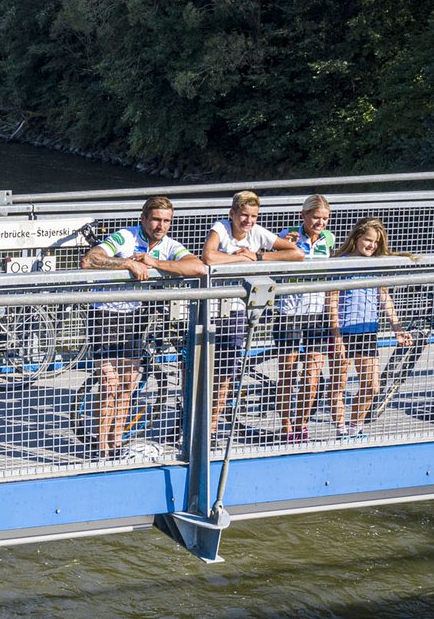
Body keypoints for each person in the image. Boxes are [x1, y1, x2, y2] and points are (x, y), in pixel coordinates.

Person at [81, 196, 207, 455]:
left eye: (166, 221)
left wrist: (154, 263)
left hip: (136, 315)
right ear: (144, 219)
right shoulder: (125, 236)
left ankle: (116, 443)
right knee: (109, 382)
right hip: (105, 312)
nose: (161, 226)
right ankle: (100, 444)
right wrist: (127, 262)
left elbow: (198, 267)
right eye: (156, 220)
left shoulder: (169, 244)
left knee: (129, 381)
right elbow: (90, 259)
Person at [198, 191, 303, 434]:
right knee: (201, 368)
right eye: (243, 215)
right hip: (211, 307)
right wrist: (237, 259)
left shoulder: (257, 233)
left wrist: (256, 256)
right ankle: (192, 423)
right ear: (232, 214)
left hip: (238, 309)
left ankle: (211, 428)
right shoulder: (221, 229)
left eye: (253, 216)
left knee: (225, 373)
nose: (248, 221)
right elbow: (209, 255)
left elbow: (296, 253)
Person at [325, 218, 413, 438]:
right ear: (356, 238)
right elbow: (331, 299)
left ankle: (356, 426)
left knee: (372, 386)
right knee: (338, 383)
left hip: (367, 330)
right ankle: (341, 430)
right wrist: (335, 334)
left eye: (376, 242)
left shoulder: (375, 264)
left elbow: (384, 296)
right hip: (343, 331)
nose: (372, 246)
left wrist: (397, 327)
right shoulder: (341, 262)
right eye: (368, 240)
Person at [276, 194, 336, 440]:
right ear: (304, 216)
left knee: (312, 376)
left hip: (317, 312)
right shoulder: (288, 234)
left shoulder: (329, 238)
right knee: (288, 372)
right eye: (315, 218)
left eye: (325, 219)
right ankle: (287, 425)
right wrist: (283, 246)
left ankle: (301, 424)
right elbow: (270, 264)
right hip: (289, 311)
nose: (320, 223)